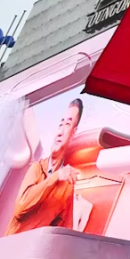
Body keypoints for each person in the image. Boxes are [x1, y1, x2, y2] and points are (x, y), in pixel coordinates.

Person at [9, 98, 83, 234]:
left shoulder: (67, 188)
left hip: (36, 247)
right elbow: (20, 207)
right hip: (12, 245)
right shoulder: (36, 168)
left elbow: (63, 231)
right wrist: (55, 177)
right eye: (60, 124)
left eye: (67, 124)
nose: (60, 132)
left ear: (73, 132)